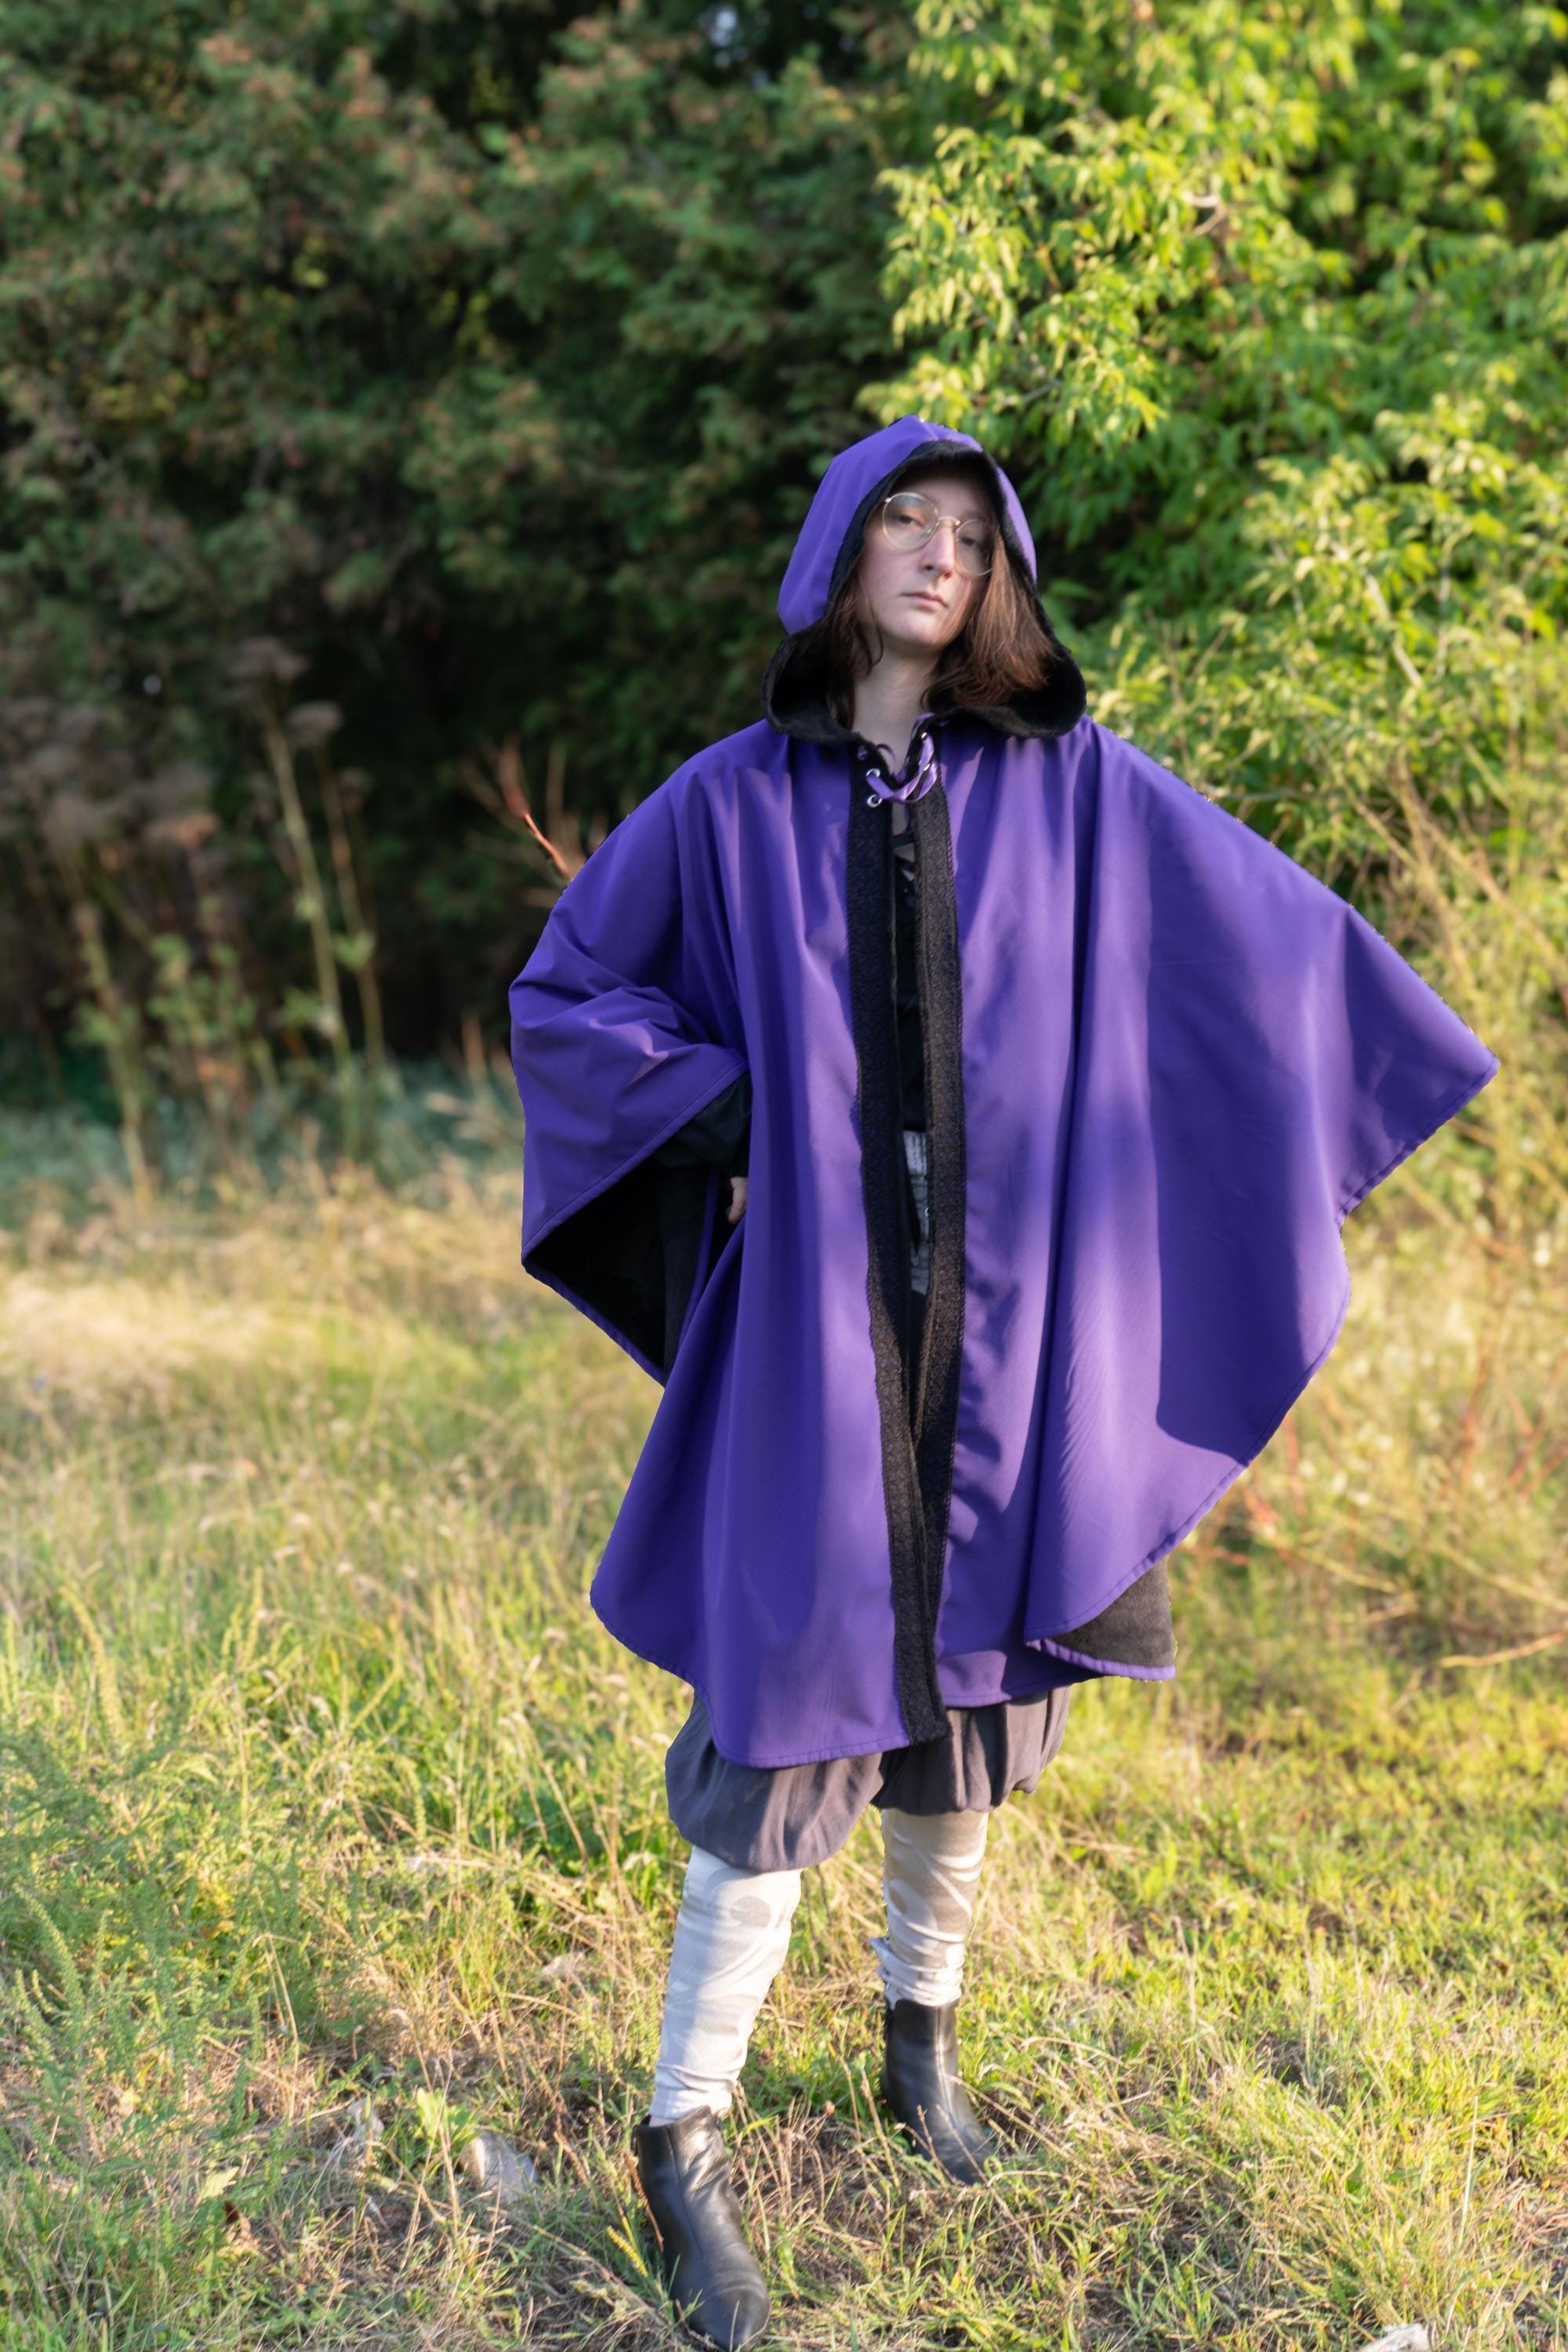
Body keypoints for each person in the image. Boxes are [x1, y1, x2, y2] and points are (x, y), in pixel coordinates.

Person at [509, 416, 1499, 2349]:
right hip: (818, 1336)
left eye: (972, 534)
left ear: (1002, 581)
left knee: (972, 1696)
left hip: (1005, 1336)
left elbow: (1270, 960)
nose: (939, 554)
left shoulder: (1078, 793)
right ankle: (683, 2138)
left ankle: (921, 2049)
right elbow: (572, 996)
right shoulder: (725, 804)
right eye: (906, 519)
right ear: (841, 549)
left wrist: (1386, 1054)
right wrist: (734, 1113)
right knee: (780, 1722)